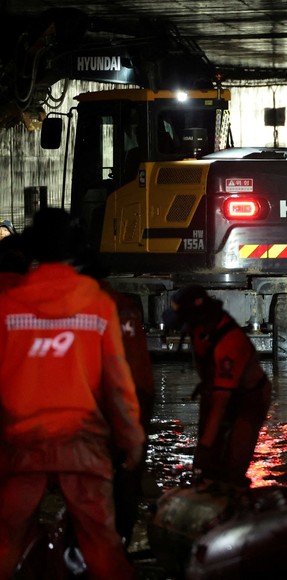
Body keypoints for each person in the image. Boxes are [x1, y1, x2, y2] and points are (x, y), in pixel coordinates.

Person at [0, 208, 144, 580]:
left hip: (21, 443)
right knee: (103, 546)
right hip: (82, 442)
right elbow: (117, 383)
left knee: (5, 542)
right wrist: (131, 439)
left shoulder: (9, 306)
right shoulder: (97, 303)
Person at [78, 250, 154, 546]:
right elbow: (138, 376)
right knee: (124, 485)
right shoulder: (122, 307)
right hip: (130, 408)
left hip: (100, 414)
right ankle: (119, 540)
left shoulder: (85, 308)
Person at [162, 285, 272, 488]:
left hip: (251, 397)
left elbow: (221, 403)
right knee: (206, 461)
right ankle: (205, 485)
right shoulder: (198, 328)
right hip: (217, 389)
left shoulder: (229, 342)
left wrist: (204, 446)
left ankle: (235, 495)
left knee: (234, 459)